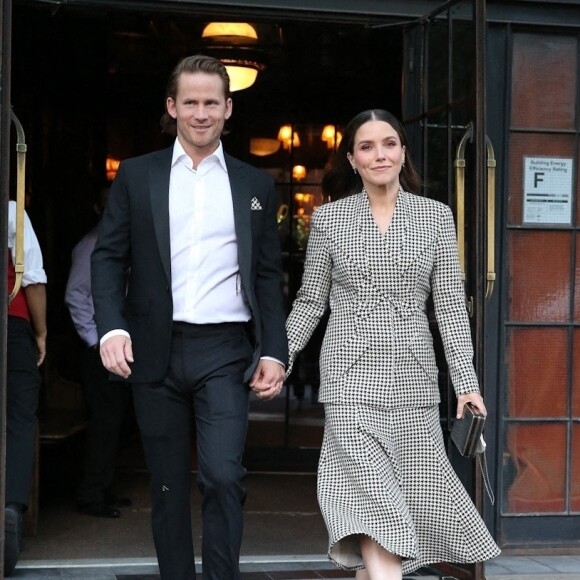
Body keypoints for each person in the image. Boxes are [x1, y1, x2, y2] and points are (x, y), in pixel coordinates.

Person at [91, 54, 288, 580]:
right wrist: (111, 327)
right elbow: (108, 257)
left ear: (228, 108)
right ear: (172, 106)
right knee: (168, 486)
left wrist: (273, 349)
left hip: (224, 351)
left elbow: (268, 274)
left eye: (212, 103)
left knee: (223, 476)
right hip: (153, 348)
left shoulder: (255, 184)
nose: (201, 113)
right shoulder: (137, 175)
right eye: (191, 102)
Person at [285, 109, 501, 579]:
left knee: (411, 506)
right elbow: (309, 302)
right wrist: (278, 360)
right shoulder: (330, 221)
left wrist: (465, 383)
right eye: (367, 147)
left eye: (388, 144)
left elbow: (448, 307)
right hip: (350, 383)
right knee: (372, 504)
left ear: (403, 152)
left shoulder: (436, 217)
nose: (379, 154)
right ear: (352, 158)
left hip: (413, 384)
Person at [64, 186, 132, 518]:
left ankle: (103, 489)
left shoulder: (120, 247)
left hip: (120, 350)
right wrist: (95, 341)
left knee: (116, 420)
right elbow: (76, 297)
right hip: (98, 350)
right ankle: (91, 495)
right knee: (105, 421)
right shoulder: (90, 246)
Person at [5, 199, 47, 577]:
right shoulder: (11, 210)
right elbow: (31, 276)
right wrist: (41, 331)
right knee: (19, 420)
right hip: (12, 323)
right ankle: (10, 506)